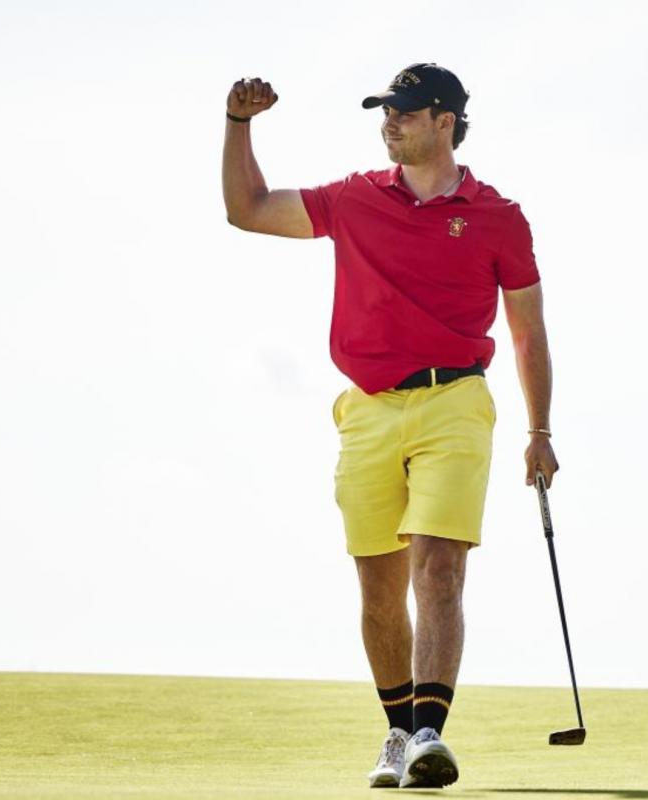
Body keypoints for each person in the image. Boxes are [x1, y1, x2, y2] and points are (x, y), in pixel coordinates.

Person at [221, 64, 558, 789]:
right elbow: (246, 208)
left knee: (439, 566)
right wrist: (238, 125)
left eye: (406, 112)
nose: (390, 122)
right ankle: (400, 736)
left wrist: (541, 432)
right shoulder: (353, 198)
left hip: (455, 401)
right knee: (378, 586)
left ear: (446, 122)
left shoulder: (499, 215)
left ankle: (431, 731)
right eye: (386, 111)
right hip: (366, 408)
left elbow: (527, 333)